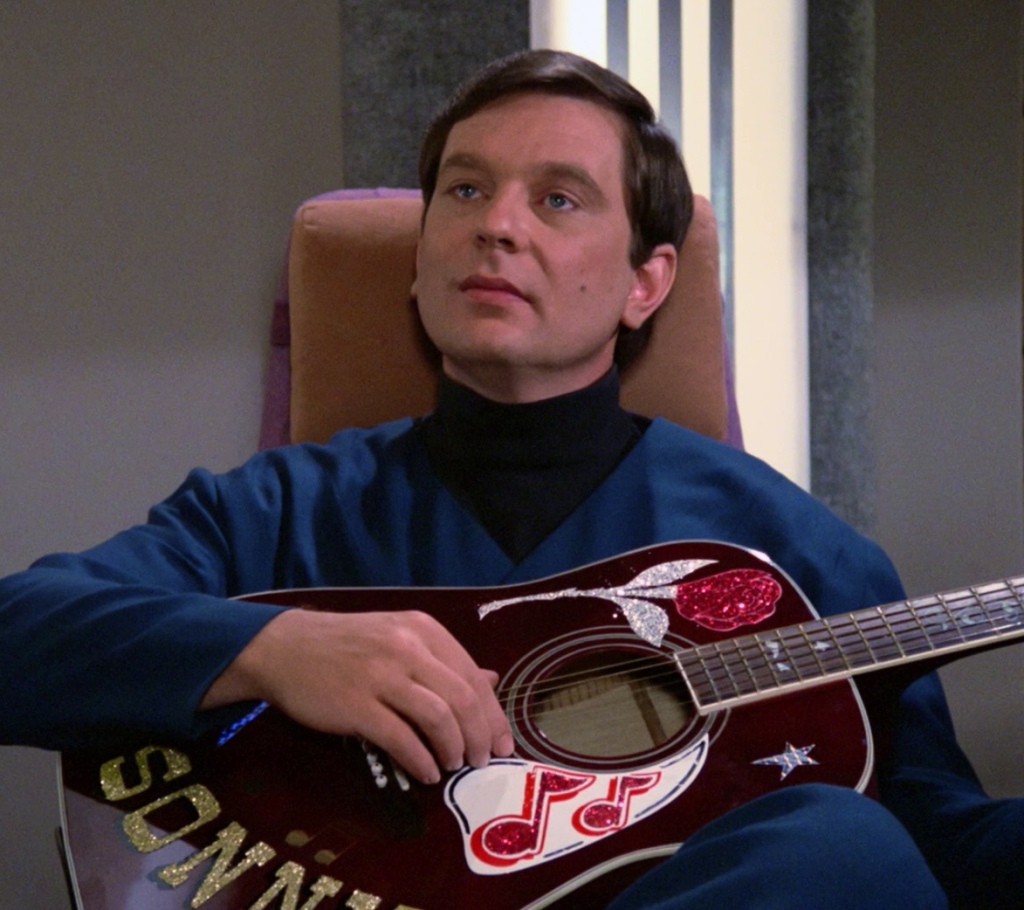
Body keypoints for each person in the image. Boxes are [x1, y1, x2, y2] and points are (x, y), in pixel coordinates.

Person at [1, 49, 1020, 909]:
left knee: (840, 847)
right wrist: (271, 648)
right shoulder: (274, 510)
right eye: (465, 190)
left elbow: (935, 850)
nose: (496, 224)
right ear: (418, 264)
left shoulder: (792, 550)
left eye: (558, 199)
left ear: (646, 282)